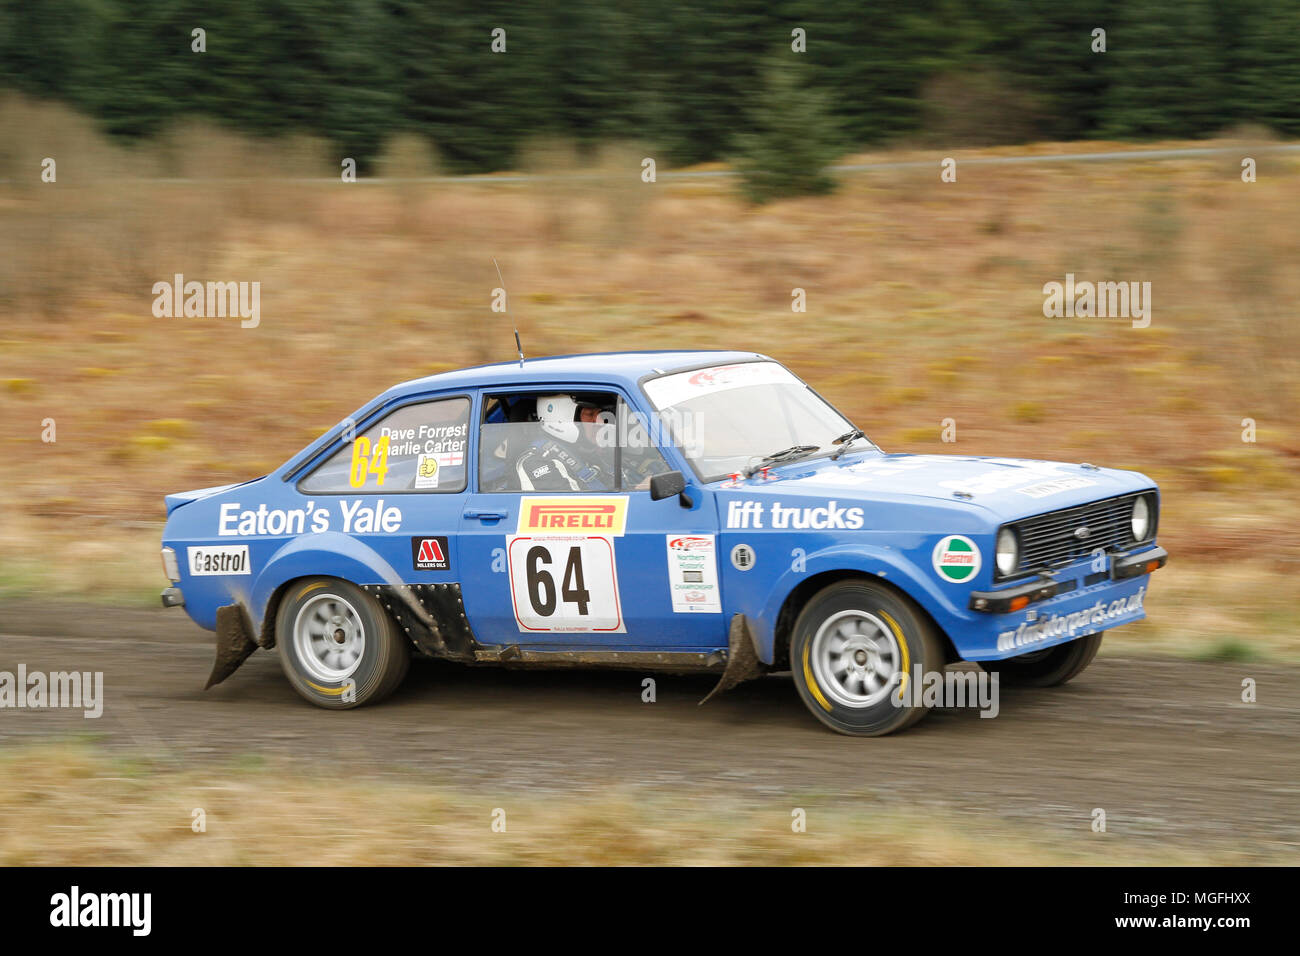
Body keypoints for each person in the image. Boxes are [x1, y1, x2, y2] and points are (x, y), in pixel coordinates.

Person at [515, 394, 617, 491]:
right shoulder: (536, 462)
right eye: (590, 414)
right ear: (560, 418)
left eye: (600, 414)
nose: (601, 422)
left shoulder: (593, 453)